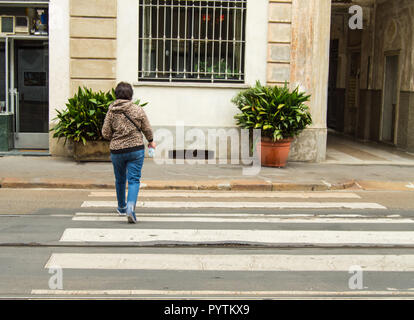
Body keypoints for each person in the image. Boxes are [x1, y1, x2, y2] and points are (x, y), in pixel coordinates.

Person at [102, 82, 156, 223]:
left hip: (117, 150)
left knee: (120, 180)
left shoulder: (111, 111)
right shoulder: (137, 110)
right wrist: (150, 140)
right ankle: (130, 207)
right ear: (131, 95)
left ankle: (121, 207)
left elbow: (105, 133)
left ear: (116, 94)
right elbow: (147, 128)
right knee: (134, 180)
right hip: (135, 149)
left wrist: (116, 136)